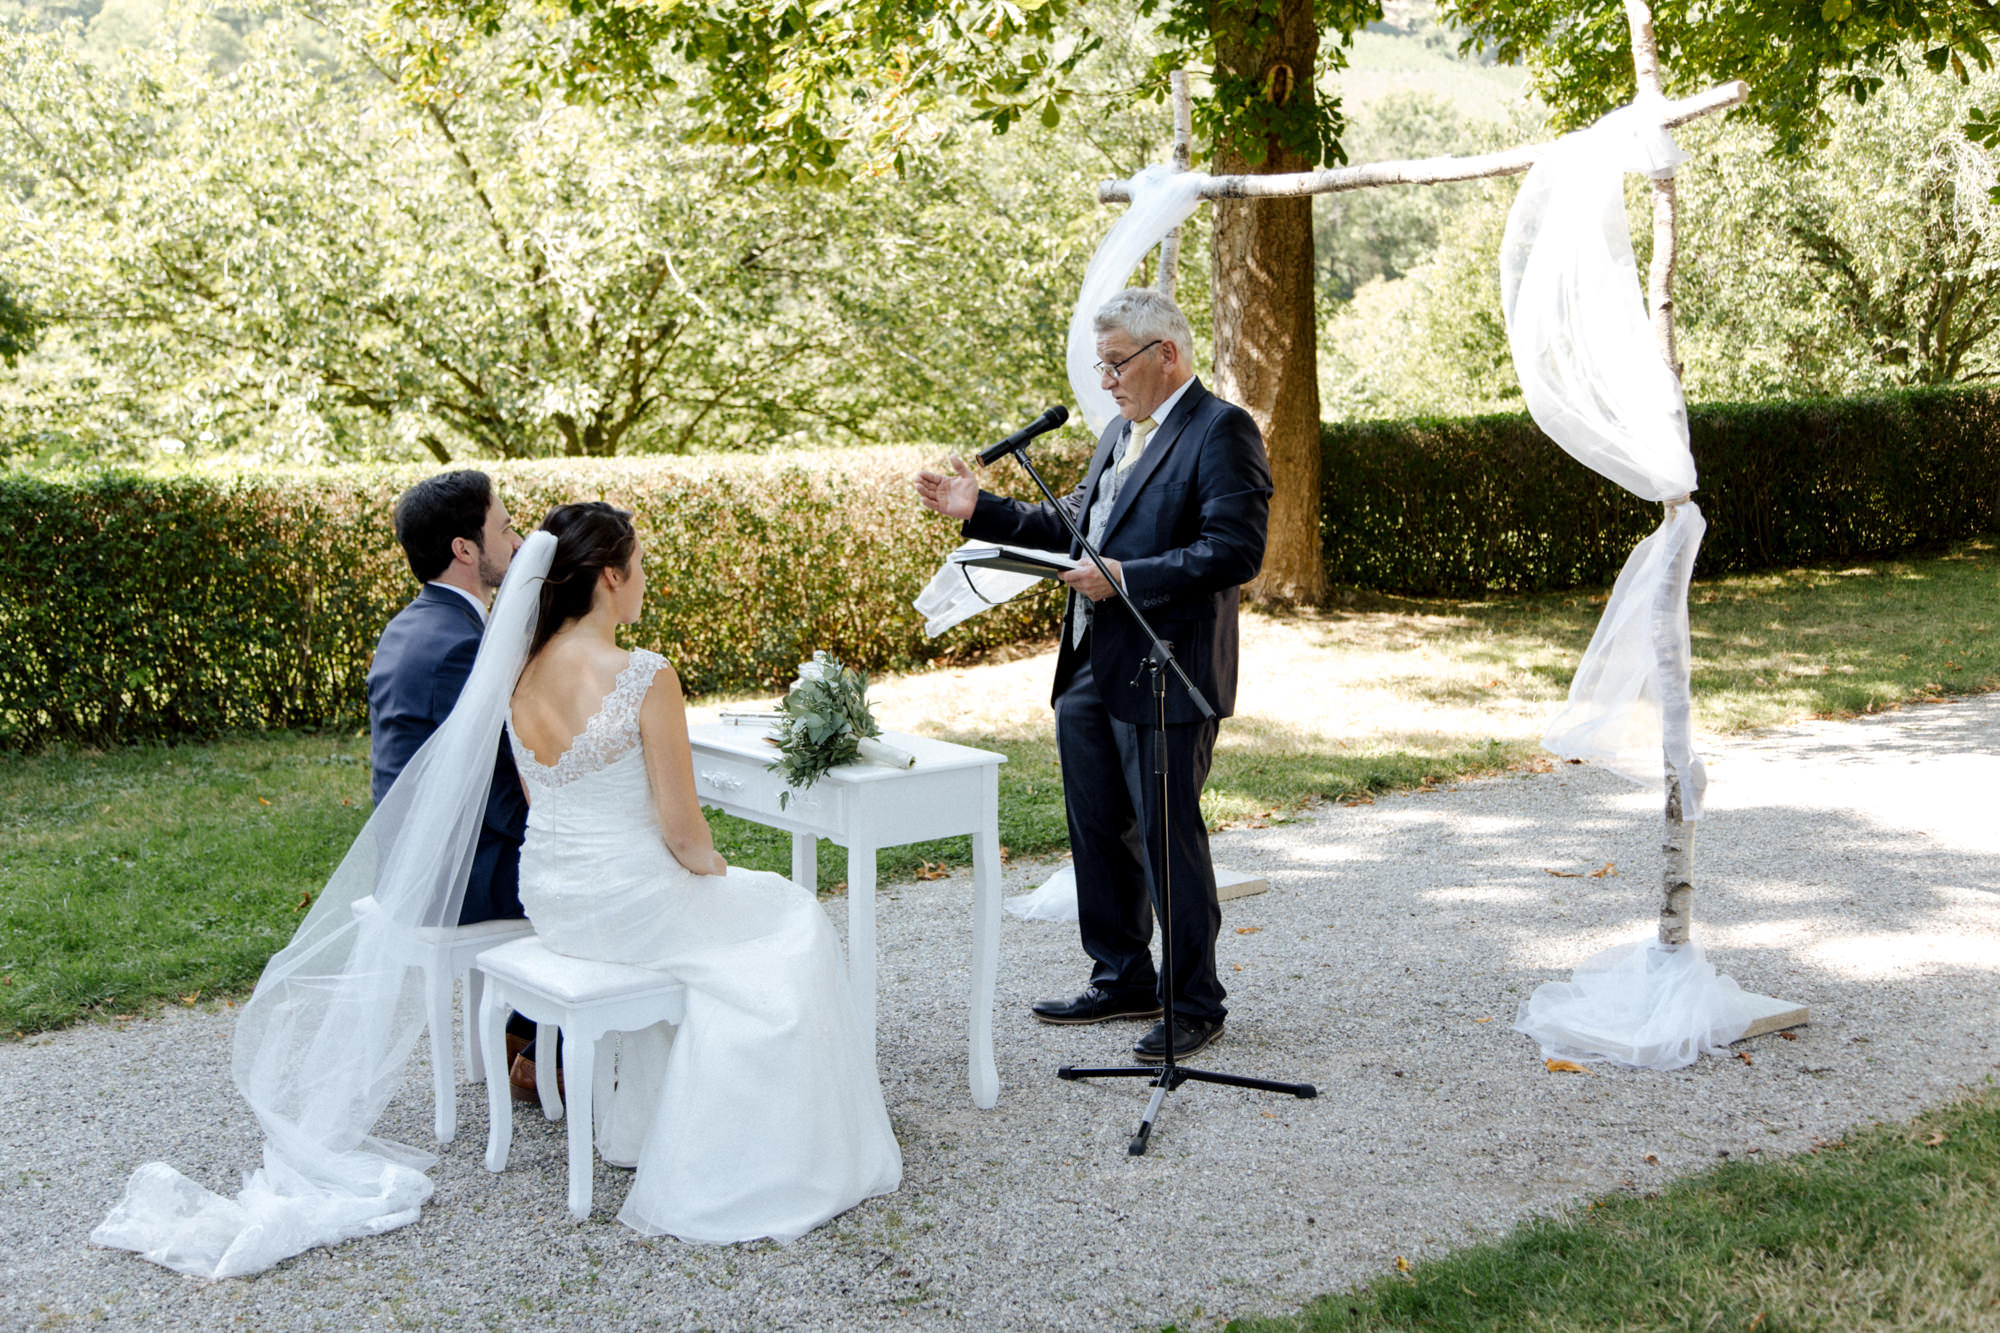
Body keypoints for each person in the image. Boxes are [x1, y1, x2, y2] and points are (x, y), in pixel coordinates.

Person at [505, 502, 902, 1242]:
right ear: (611, 576)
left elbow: (543, 800)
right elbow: (683, 832)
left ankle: (656, 1119)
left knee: (739, 927)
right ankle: (763, 1147)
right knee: (792, 915)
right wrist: (712, 867)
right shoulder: (644, 675)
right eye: (642, 564)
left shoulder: (519, 671)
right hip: (627, 900)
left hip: (552, 896)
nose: (646, 578)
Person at [914, 288, 1271, 1064]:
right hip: (1088, 664)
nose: (1105, 382)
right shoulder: (1120, 432)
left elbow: (1236, 550)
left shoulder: (1222, 431)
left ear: (1166, 353)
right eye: (1101, 366)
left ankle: (1194, 1001)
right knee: (1098, 831)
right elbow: (1072, 521)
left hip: (1164, 666)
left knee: (1168, 839)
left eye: (1115, 364)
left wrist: (1126, 576)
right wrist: (982, 508)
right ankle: (1122, 976)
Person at [367, 470, 527, 927]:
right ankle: (539, 998)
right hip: (457, 877)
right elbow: (497, 792)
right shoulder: (460, 646)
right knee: (594, 880)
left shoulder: (409, 625)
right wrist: (565, 833)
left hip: (412, 861)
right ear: (464, 549)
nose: (517, 542)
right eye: (504, 527)